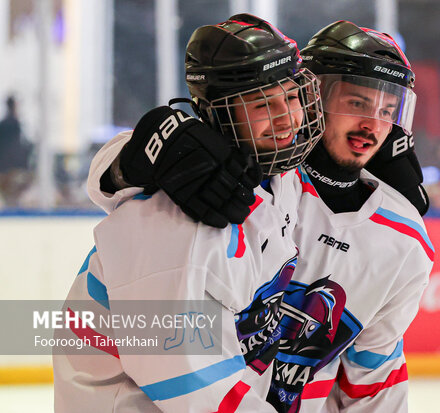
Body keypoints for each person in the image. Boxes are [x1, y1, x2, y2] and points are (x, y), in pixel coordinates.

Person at [87, 20, 434, 413]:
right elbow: (189, 377)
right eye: (355, 103)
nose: (373, 126)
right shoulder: (225, 187)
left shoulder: (389, 230)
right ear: (316, 95)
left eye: (388, 110)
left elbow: (374, 376)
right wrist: (139, 155)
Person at [53, 14, 324, 412]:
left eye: (292, 96)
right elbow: (193, 386)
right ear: (216, 112)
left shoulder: (276, 180)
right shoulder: (178, 228)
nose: (287, 117)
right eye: (264, 103)